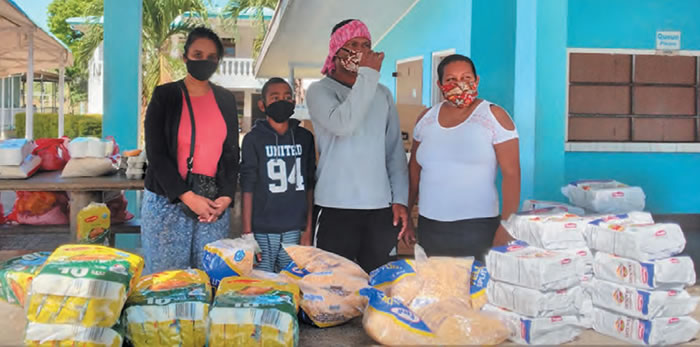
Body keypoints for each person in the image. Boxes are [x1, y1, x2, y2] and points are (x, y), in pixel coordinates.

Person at [306, 19, 410, 273]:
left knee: (379, 283)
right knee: (334, 289)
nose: (361, 51)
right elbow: (344, 124)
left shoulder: (382, 93)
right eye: (353, 44)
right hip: (335, 207)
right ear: (336, 51)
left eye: (366, 45)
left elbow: (394, 151)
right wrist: (368, 75)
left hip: (380, 208)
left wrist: (400, 199)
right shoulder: (319, 91)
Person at [141, 27, 239, 274]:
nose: (204, 61)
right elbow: (156, 154)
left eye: (211, 57)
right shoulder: (166, 96)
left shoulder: (226, 100)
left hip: (213, 205)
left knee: (208, 279)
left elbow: (230, 153)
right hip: (168, 203)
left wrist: (226, 196)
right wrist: (187, 196)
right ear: (185, 57)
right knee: (168, 281)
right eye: (197, 54)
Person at [406, 54, 521, 260]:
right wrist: (407, 214)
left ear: (476, 81)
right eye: (451, 80)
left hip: (478, 229)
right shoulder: (426, 119)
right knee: (435, 288)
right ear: (440, 85)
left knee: (475, 290)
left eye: (467, 78)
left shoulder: (493, 116)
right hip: (430, 227)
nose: (460, 84)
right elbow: (414, 172)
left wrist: (507, 225)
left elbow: (512, 174)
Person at [240, 77, 316, 272]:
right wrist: (247, 233)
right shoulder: (253, 139)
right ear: (262, 105)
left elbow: (309, 184)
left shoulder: (304, 137)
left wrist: (308, 228)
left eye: (287, 97)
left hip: (294, 229)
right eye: (275, 97)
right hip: (262, 229)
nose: (282, 101)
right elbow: (247, 186)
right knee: (263, 284)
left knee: (292, 284)